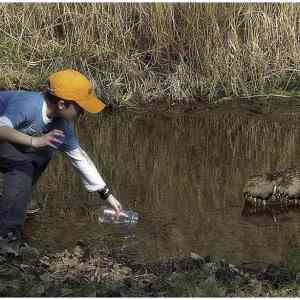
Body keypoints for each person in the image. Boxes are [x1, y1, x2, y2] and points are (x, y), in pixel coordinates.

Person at [0, 69, 122, 249]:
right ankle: (6, 238)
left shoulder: (61, 125)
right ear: (63, 104)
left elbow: (79, 158)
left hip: (9, 137)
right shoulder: (28, 105)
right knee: (24, 165)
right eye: (80, 108)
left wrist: (106, 194)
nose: (83, 113)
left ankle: (17, 199)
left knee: (44, 152)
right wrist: (34, 141)